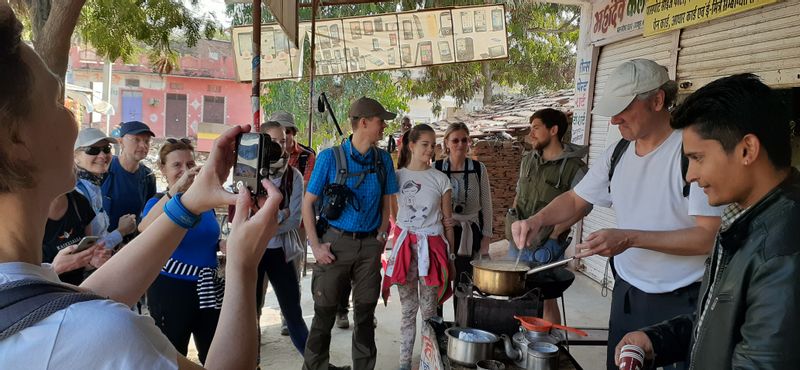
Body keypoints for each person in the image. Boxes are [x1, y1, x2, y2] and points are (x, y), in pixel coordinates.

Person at [0, 6, 283, 369]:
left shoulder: (32, 302)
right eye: (58, 102)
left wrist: (186, 205)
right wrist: (243, 266)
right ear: (15, 138)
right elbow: (78, 323)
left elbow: (69, 303)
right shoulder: (105, 338)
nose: (73, 117)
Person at [511, 59, 722, 370]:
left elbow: (707, 237)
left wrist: (629, 237)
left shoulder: (689, 151)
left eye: (623, 108)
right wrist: (536, 220)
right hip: (628, 296)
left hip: (680, 304)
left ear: (657, 100)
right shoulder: (618, 152)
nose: (613, 121)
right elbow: (575, 199)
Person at [615, 74, 800, 368]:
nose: (690, 175)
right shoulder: (746, 222)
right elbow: (723, 322)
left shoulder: (782, 250)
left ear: (746, 150)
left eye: (698, 158)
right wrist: (658, 339)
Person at [302, 97, 399, 370]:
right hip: (334, 245)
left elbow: (386, 199)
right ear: (364, 123)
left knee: (366, 316)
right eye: (381, 121)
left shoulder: (382, 160)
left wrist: (382, 233)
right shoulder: (329, 158)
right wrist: (316, 247)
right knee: (323, 316)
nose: (384, 127)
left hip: (369, 247)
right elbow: (308, 204)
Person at [137, 138, 221, 364]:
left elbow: (209, 239)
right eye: (176, 165)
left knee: (214, 354)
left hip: (207, 288)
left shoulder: (205, 204)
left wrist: (224, 245)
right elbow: (144, 228)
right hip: (171, 290)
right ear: (163, 169)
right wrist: (176, 190)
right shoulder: (158, 202)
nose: (185, 171)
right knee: (171, 357)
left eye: (189, 164)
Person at [505, 109, 588, 324]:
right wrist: (512, 219)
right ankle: (522, 342)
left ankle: (552, 346)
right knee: (516, 294)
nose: (531, 133)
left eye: (536, 128)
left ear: (553, 130)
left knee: (547, 298)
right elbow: (518, 193)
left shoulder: (574, 167)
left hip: (546, 247)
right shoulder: (528, 160)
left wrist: (555, 233)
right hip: (519, 241)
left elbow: (584, 206)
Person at [384, 124, 455, 370]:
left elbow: (447, 221)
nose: (430, 149)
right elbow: (393, 213)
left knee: (429, 311)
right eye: (425, 144)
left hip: (432, 250)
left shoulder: (440, 179)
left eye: (433, 144)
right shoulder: (397, 177)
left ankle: (429, 362)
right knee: (407, 310)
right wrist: (401, 232)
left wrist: (451, 255)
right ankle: (404, 363)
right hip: (405, 249)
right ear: (411, 146)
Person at [253, 121, 309, 354]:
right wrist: (280, 213)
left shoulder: (293, 176)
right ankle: (251, 361)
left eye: (282, 140)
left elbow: (294, 220)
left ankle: (316, 364)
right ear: (261, 143)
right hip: (253, 251)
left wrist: (264, 220)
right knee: (250, 313)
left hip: (280, 252)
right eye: (273, 141)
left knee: (293, 312)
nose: (280, 146)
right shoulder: (248, 173)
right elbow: (245, 218)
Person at [433, 122, 492, 317]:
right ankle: (437, 324)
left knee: (464, 282)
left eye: (464, 140)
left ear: (469, 142)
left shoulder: (478, 168)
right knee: (440, 279)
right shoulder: (437, 168)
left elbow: (487, 205)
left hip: (469, 232)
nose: (460, 144)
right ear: (446, 143)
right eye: (455, 140)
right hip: (442, 231)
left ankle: (461, 324)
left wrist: (486, 238)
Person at [273, 111, 315, 335]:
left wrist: (284, 213)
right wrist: (283, 211)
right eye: (280, 132)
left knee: (292, 271)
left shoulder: (307, 156)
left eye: (288, 132)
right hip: (266, 224)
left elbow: (302, 196)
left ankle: (288, 316)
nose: (285, 137)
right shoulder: (261, 154)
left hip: (296, 226)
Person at [74, 128, 137, 250]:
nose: (102, 155)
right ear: (75, 156)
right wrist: (121, 231)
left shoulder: (93, 185)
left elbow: (99, 236)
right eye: (92, 150)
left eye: (107, 149)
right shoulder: (77, 192)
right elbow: (86, 251)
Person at [42, 190, 109, 285]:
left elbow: (89, 248)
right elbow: (21, 280)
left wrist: (92, 259)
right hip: (48, 291)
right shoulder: (26, 215)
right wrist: (55, 269)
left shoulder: (78, 200)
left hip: (80, 283)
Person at [102, 120, 157, 234]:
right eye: (136, 140)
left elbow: (149, 214)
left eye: (147, 141)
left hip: (131, 244)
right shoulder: (105, 168)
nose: (143, 145)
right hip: (102, 244)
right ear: (121, 142)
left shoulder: (148, 176)